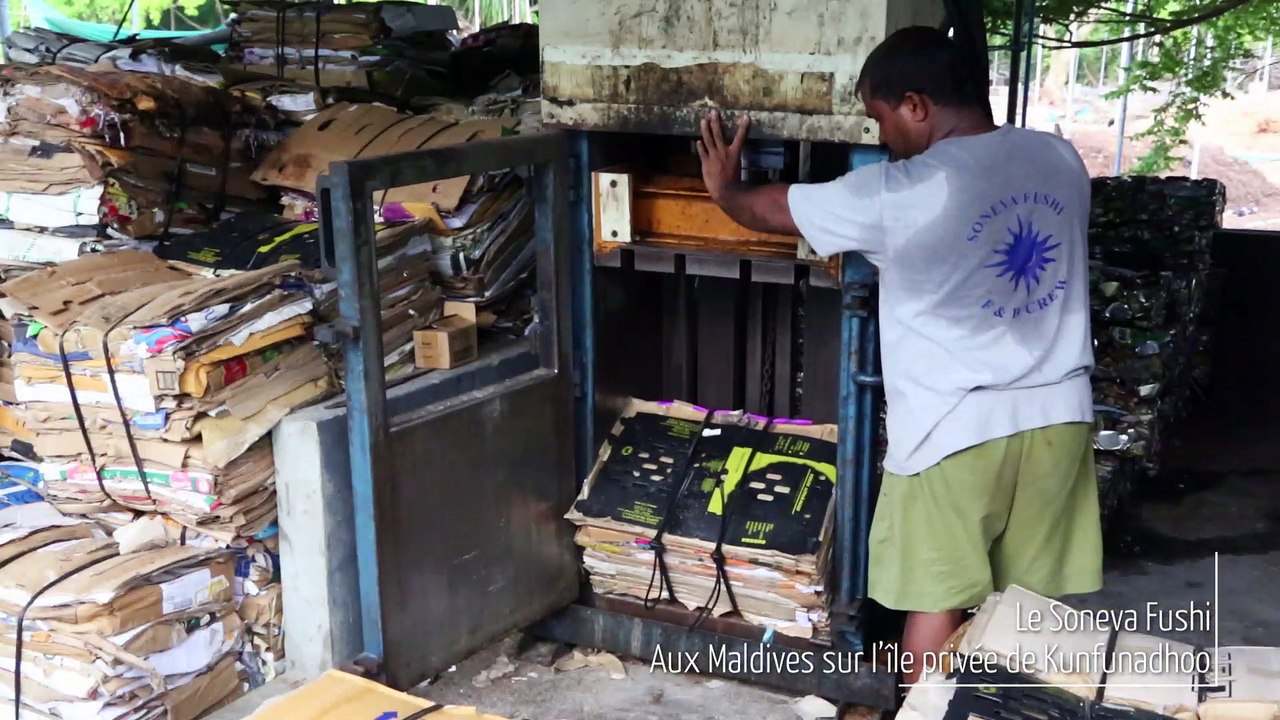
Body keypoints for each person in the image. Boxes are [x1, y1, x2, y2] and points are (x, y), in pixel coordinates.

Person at [696, 25, 1103, 685]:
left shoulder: (905, 189)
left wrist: (726, 189)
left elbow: (772, 211)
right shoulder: (1058, 159)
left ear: (916, 105)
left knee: (935, 597)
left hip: (955, 430)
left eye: (880, 120)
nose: (881, 139)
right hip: (1059, 416)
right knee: (1030, 606)